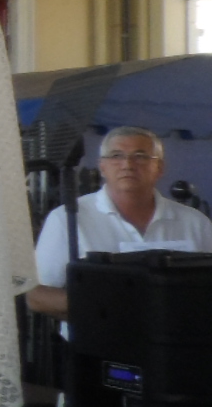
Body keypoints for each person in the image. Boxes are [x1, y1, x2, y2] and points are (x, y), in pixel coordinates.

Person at [27, 126, 212, 317]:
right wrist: (101, 304)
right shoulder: (67, 218)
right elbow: (36, 295)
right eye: (116, 156)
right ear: (102, 166)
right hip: (98, 342)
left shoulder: (195, 222)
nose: (128, 164)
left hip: (181, 341)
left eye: (140, 156)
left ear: (160, 168)